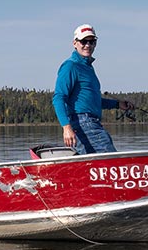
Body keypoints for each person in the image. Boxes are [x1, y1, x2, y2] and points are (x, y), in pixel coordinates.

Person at [52, 24, 133, 154]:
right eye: (84, 41)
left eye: (92, 41)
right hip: (82, 122)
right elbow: (58, 98)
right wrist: (66, 127)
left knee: (93, 164)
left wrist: (118, 104)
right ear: (75, 43)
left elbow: (92, 100)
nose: (88, 45)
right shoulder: (71, 66)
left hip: (91, 122)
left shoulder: (88, 68)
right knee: (110, 158)